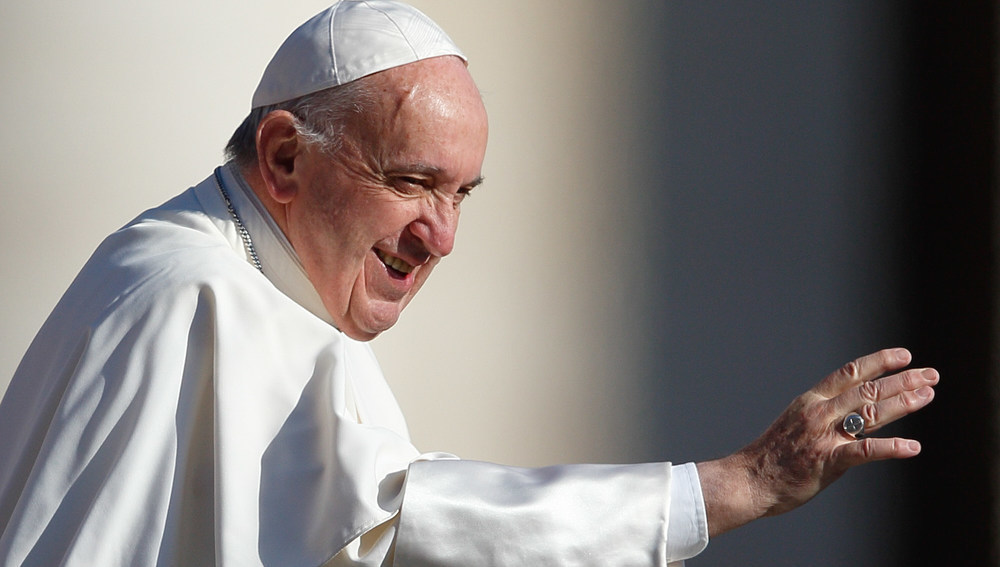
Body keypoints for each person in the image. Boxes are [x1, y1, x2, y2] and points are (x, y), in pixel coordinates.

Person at [0, 1, 938, 565]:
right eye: (409, 180)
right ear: (285, 156)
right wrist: (732, 486)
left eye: (460, 194)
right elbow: (408, 525)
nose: (439, 234)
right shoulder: (191, 295)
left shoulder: (267, 285)